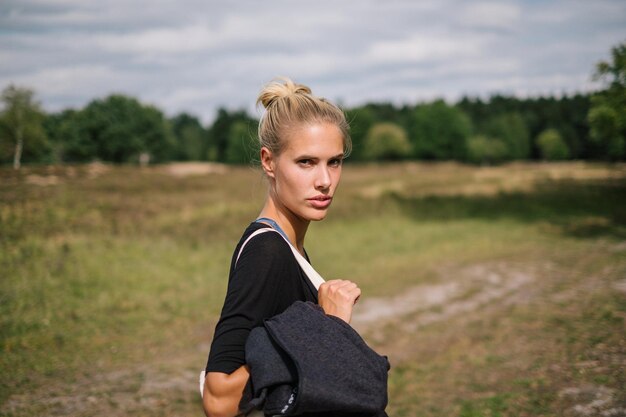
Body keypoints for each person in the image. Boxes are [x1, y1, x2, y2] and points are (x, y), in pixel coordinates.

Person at [202, 78, 362, 417]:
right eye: (306, 162)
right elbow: (218, 397)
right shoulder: (268, 253)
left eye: (334, 162)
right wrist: (327, 328)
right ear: (269, 162)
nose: (325, 180)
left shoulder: (289, 248)